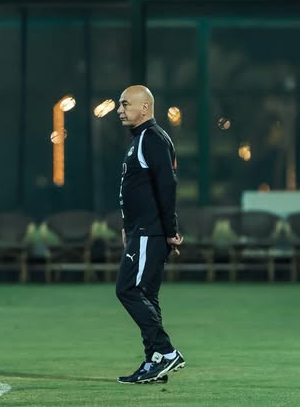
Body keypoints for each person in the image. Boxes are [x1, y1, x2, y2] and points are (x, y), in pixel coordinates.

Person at [115, 84, 185, 385]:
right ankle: (154, 360)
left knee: (128, 289)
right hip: (141, 231)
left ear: (145, 107)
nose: (120, 110)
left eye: (125, 104)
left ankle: (165, 352)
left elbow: (167, 186)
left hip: (149, 231)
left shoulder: (152, 137)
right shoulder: (141, 138)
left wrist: (171, 231)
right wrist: (127, 227)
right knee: (146, 294)